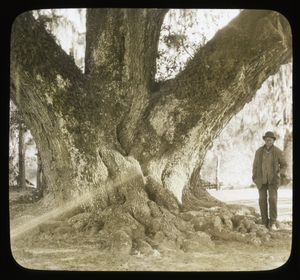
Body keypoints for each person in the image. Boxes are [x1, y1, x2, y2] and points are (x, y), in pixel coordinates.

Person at [252, 131, 287, 230]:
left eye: (270, 140)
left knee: (272, 200)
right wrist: (255, 178)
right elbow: (254, 166)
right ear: (264, 140)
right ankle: (264, 222)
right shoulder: (259, 151)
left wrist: (279, 173)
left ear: (273, 141)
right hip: (261, 181)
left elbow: (284, 165)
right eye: (267, 140)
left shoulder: (278, 151)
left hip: (273, 181)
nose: (269, 142)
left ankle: (272, 223)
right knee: (262, 200)